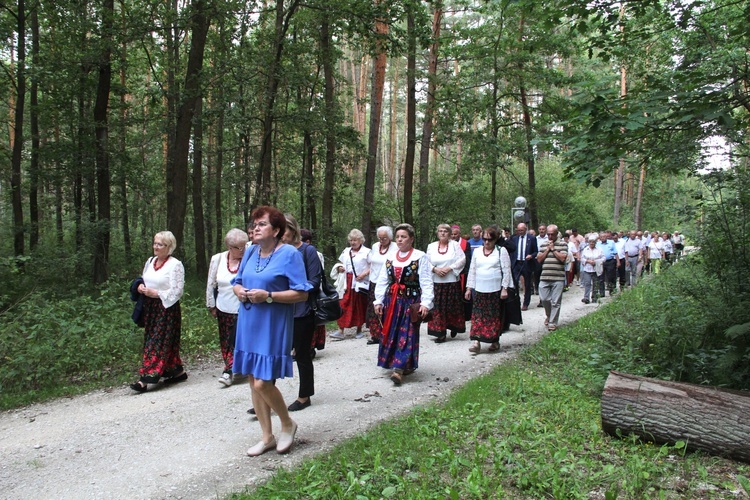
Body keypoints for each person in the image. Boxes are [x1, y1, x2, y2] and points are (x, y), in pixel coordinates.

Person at [232, 206, 311, 456]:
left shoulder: (289, 254)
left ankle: (287, 423)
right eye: (254, 224)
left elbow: (302, 292)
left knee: (263, 382)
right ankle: (267, 436)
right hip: (248, 321)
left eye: (262, 224)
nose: (255, 228)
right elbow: (237, 281)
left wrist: (268, 296)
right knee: (251, 379)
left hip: (273, 322)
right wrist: (240, 292)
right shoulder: (250, 252)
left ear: (276, 230)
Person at [373, 223, 434, 386]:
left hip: (410, 302)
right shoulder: (391, 257)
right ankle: (399, 363)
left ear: (411, 239)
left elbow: (426, 281)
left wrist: (426, 303)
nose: (400, 240)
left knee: (407, 334)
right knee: (392, 333)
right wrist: (378, 300)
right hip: (392, 301)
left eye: (404, 237)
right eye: (398, 237)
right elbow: (383, 279)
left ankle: (398, 369)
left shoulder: (420, 257)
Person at [131, 231, 187, 392]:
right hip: (149, 308)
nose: (156, 247)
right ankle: (176, 371)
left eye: (160, 244)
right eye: (155, 243)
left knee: (155, 342)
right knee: (155, 340)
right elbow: (144, 279)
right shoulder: (150, 261)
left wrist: (157, 294)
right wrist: (140, 287)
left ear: (169, 247)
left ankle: (146, 379)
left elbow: (177, 291)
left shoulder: (175, 265)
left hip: (166, 308)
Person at [281, 214, 322, 412]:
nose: (280, 235)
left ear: (293, 230)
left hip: (302, 311)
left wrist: (296, 289)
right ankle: (266, 395)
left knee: (302, 354)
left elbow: (315, 281)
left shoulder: (308, 251)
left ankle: (304, 396)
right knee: (275, 353)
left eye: (284, 230)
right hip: (280, 309)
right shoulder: (276, 251)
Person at [206, 228, 248, 387]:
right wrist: (211, 304)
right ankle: (230, 366)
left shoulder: (249, 257)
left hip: (244, 307)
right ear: (230, 247)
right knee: (226, 340)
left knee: (239, 339)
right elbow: (211, 283)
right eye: (239, 248)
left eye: (244, 246)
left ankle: (229, 370)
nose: (243, 250)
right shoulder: (218, 259)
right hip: (223, 306)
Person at [465, 226, 513, 353]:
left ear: (495, 239)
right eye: (485, 239)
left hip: (495, 289)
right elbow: (472, 270)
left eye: (490, 240)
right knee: (477, 316)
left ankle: (494, 340)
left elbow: (506, 271)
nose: (487, 242)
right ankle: (476, 341)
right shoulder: (477, 252)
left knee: (493, 316)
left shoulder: (500, 251)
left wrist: (505, 288)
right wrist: (469, 288)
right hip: (480, 289)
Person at [426, 224, 466, 343]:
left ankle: (453, 326)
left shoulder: (455, 245)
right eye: (440, 231)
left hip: (451, 282)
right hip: (437, 282)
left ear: (449, 234)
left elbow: (462, 259)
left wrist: (449, 268)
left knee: (452, 307)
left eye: (445, 231)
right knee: (438, 308)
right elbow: (426, 262)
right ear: (437, 233)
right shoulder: (431, 246)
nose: (443, 233)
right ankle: (440, 332)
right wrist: (435, 269)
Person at [331, 229, 370, 340]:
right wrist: (339, 267)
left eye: (355, 240)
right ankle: (340, 330)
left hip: (360, 282)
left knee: (359, 305)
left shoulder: (367, 252)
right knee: (343, 304)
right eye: (351, 240)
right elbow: (340, 263)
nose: (353, 242)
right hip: (347, 282)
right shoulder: (346, 251)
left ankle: (359, 330)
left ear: (360, 240)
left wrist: (363, 274)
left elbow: (373, 267)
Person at [365, 226, 397, 345]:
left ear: (389, 237)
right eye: (380, 238)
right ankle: (375, 335)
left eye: (384, 238)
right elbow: (372, 263)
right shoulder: (374, 246)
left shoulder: (394, 247)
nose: (381, 240)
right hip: (374, 281)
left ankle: (388, 333)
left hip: (388, 283)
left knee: (387, 307)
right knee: (374, 308)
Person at [536, 224, 567, 331]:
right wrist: (547, 250)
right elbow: (539, 259)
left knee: (556, 302)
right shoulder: (543, 244)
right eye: (548, 234)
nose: (549, 236)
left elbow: (563, 258)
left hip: (558, 277)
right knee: (544, 299)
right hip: (544, 277)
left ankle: (552, 323)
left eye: (552, 234)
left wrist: (553, 250)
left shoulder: (563, 244)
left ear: (556, 233)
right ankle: (549, 316)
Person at [301, 229, 327, 354]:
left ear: (307, 241)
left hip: (313, 290)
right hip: (304, 290)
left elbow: (316, 275)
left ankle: (311, 347)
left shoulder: (316, 254)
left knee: (315, 318)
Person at [511, 222, 538, 311]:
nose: (520, 232)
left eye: (521, 230)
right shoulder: (514, 238)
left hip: (527, 263)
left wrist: (531, 256)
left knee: (527, 283)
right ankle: (516, 301)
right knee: (514, 283)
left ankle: (526, 303)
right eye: (518, 230)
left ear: (525, 229)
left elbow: (536, 251)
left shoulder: (532, 238)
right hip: (516, 263)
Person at [580, 235, 604, 304]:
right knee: (587, 283)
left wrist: (597, 261)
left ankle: (594, 297)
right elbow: (582, 258)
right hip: (587, 269)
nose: (591, 243)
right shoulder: (585, 249)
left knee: (595, 283)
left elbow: (603, 258)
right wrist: (588, 261)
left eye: (593, 242)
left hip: (596, 269)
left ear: (595, 242)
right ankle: (586, 297)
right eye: (590, 242)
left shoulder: (599, 249)